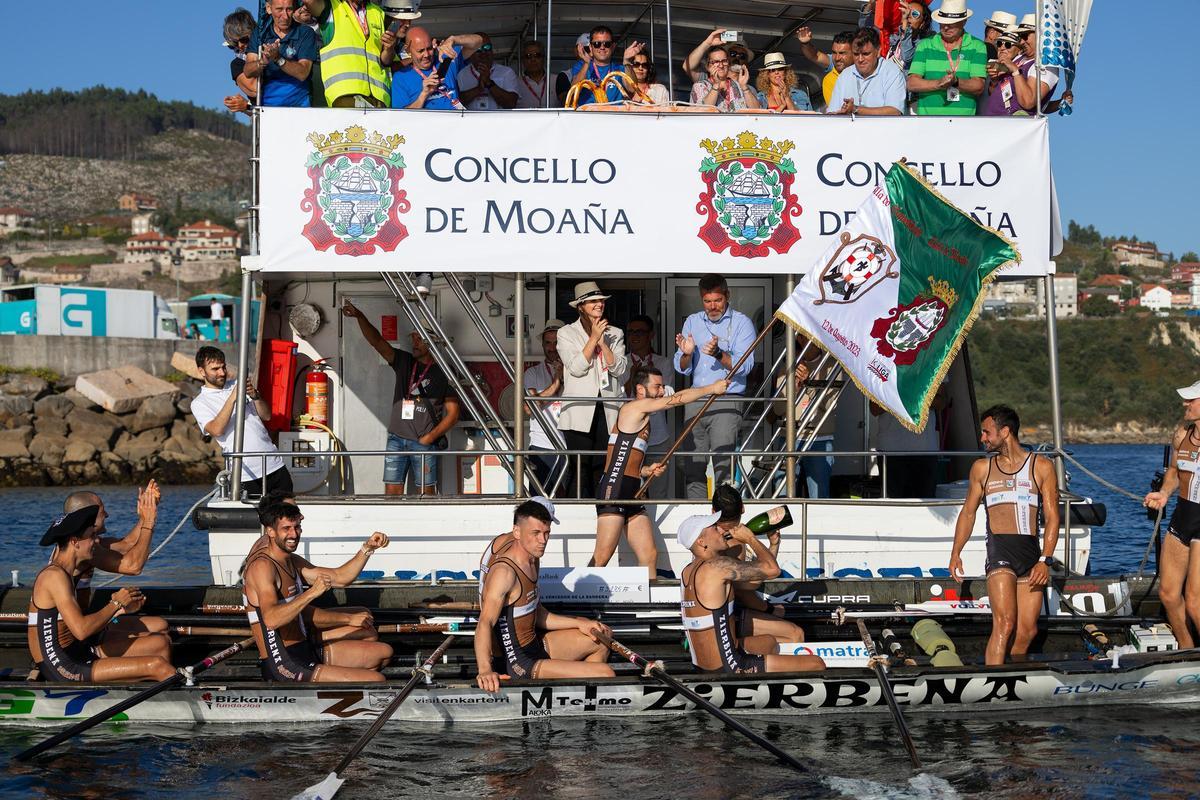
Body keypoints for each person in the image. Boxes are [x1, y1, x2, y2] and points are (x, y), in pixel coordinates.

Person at [949, 405, 1060, 665]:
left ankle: (1011, 673)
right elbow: (968, 513)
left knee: (1027, 630)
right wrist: (956, 552)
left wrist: (1046, 560)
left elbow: (1053, 517)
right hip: (1000, 554)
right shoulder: (981, 468)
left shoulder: (1041, 466)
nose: (983, 438)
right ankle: (992, 678)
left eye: (987, 432)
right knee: (1005, 623)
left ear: (1005, 431)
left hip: (1032, 555)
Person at [593, 368, 729, 579]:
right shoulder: (633, 408)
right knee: (602, 556)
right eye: (656, 387)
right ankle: (578, 598)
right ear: (640, 389)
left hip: (632, 489)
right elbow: (675, 400)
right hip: (614, 488)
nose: (661, 392)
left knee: (649, 554)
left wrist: (647, 470)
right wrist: (712, 388)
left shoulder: (645, 417)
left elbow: (625, 458)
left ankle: (647, 607)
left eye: (662, 387)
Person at [476, 499, 615, 691]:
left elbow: (538, 614)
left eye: (546, 533)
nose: (543, 541)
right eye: (535, 533)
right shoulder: (504, 572)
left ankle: (572, 696)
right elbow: (485, 622)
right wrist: (485, 670)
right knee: (606, 673)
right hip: (518, 663)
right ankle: (576, 694)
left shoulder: (533, 559)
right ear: (517, 532)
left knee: (598, 639)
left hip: (535, 644)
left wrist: (580, 622)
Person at [243, 502, 393, 682]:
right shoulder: (262, 566)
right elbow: (271, 619)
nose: (294, 534)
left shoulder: (292, 560)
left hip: (305, 647)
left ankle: (331, 686)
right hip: (284, 663)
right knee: (377, 681)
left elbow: (341, 577)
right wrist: (312, 593)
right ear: (271, 531)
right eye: (286, 529)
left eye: (297, 527)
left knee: (384, 653)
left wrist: (367, 548)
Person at [27, 507, 175, 683]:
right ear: (75, 542)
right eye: (91, 536)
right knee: (158, 666)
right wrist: (115, 604)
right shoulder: (54, 576)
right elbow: (82, 630)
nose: (96, 541)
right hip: (62, 666)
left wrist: (118, 612)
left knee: (160, 645)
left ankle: (145, 700)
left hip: (79, 651)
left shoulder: (64, 572)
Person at [677, 513, 826, 673]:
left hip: (701, 667)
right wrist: (750, 539)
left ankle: (772, 674)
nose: (721, 530)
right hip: (732, 667)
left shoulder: (687, 571)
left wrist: (773, 544)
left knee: (769, 642)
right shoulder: (717, 566)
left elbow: (752, 583)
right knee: (817, 663)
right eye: (714, 528)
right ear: (701, 542)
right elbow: (772, 570)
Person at [343, 301, 460, 495]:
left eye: (419, 339)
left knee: (426, 493)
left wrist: (430, 437)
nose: (414, 343)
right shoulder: (405, 361)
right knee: (392, 492)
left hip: (424, 441)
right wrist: (360, 316)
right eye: (413, 338)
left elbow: (453, 414)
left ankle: (424, 527)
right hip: (396, 439)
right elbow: (377, 343)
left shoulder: (444, 372)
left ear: (432, 342)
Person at [53, 486, 171, 664]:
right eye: (102, 510)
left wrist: (144, 515)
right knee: (161, 641)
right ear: (88, 516)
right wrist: (149, 521)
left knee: (160, 625)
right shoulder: (82, 550)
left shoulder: (85, 542)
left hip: (86, 624)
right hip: (75, 637)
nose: (107, 514)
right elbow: (133, 567)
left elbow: (126, 544)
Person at [673, 274, 755, 499]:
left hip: (727, 400)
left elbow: (746, 366)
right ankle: (698, 518)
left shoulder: (741, 322)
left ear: (727, 296)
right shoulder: (692, 321)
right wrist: (687, 354)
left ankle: (724, 518)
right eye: (707, 301)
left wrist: (719, 354)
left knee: (723, 467)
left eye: (717, 300)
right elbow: (681, 367)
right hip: (696, 398)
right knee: (693, 465)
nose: (712, 306)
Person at [709, 485, 809, 650]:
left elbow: (756, 575)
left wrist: (773, 545)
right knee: (795, 634)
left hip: (719, 615)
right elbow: (749, 587)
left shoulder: (709, 536)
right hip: (728, 619)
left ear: (713, 511)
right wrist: (769, 609)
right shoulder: (735, 544)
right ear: (743, 508)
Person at [190, 346, 293, 499]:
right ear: (201, 371)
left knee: (288, 514)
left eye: (223, 367)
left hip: (274, 464)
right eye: (215, 369)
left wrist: (255, 396)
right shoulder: (199, 403)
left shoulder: (238, 383)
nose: (222, 372)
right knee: (255, 519)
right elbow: (216, 430)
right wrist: (233, 398)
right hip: (245, 474)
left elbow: (267, 416)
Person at [1143, 381, 1200, 649]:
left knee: (1195, 600)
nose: (1185, 404)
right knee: (1167, 593)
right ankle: (1188, 650)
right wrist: (1164, 494)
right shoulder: (1181, 434)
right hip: (1182, 517)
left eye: (1191, 400)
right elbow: (1174, 473)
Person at [557, 281, 628, 495]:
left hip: (608, 410)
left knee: (604, 466)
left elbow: (622, 371)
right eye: (593, 301)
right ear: (581, 306)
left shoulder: (615, 332)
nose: (599, 304)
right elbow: (577, 368)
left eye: (601, 301)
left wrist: (604, 342)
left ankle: (603, 511)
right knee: (580, 466)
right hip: (579, 410)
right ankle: (577, 513)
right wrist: (594, 338)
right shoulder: (566, 333)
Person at [302, 0, 391, 108]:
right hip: (345, 95)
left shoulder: (378, 12)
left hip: (379, 98)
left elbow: (385, 60)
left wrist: (389, 49)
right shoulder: (331, 7)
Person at [624, 314, 676, 499]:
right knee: (631, 486)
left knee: (658, 487)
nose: (634, 336)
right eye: (631, 332)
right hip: (631, 435)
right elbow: (622, 398)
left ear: (651, 335)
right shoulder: (623, 363)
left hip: (658, 435)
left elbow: (666, 395)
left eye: (640, 331)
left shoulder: (663, 362)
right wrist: (632, 376)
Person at [906, 0, 987, 116]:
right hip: (927, 122)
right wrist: (939, 83)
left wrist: (956, 82)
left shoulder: (977, 46)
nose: (946, 27)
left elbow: (979, 86)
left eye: (952, 23)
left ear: (964, 21)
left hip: (964, 124)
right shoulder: (924, 45)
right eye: (943, 22)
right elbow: (912, 83)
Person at [524, 319, 570, 496]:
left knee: (574, 502)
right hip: (542, 445)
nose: (552, 348)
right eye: (548, 343)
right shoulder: (533, 373)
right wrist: (557, 382)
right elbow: (529, 408)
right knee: (538, 501)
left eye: (557, 342)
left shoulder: (578, 371)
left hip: (572, 444)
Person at [244, 0, 318, 108]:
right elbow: (247, 71)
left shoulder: (305, 33)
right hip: (268, 107)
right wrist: (262, 62)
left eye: (289, 9)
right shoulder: (260, 34)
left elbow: (303, 73)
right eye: (279, 9)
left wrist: (278, 59)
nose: (285, 16)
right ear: (269, 9)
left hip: (300, 106)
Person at [391, 28, 481, 109]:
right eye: (420, 51)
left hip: (456, 124)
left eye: (429, 48)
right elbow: (401, 118)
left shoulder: (446, 59)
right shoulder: (401, 77)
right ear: (408, 50)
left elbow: (479, 41)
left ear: (433, 43)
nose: (426, 55)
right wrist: (424, 94)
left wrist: (454, 39)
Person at [827, 27, 906, 116]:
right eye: (856, 54)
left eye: (865, 54)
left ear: (878, 51)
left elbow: (895, 111)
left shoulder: (892, 72)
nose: (860, 59)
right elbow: (831, 113)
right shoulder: (845, 75)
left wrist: (856, 109)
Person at [568, 26, 641, 106]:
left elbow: (632, 89)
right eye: (597, 44)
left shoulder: (621, 68)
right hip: (588, 115)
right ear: (591, 48)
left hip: (614, 115)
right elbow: (573, 91)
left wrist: (627, 61)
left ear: (613, 47)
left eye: (607, 44)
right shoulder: (582, 66)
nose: (602, 47)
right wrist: (586, 63)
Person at [860, 0, 935, 70]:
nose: (908, 16)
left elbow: (906, 56)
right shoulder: (894, 40)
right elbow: (866, 36)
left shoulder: (923, 44)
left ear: (922, 23)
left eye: (915, 14)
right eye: (907, 12)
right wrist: (869, 6)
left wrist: (905, 23)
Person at [687, 43, 761, 111]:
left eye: (724, 61)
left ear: (728, 63)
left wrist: (744, 87)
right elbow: (703, 111)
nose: (721, 65)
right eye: (716, 62)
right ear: (707, 66)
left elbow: (757, 111)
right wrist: (716, 85)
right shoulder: (700, 86)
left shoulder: (741, 86)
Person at [795, 27, 856, 109]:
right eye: (834, 53)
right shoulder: (829, 79)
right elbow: (815, 56)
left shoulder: (870, 71)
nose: (837, 58)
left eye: (842, 53)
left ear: (855, 52)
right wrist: (805, 44)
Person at [980, 28, 1035, 116]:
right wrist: (994, 81)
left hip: (1010, 123)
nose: (1002, 48)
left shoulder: (1028, 67)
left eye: (1008, 45)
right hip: (990, 119)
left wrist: (1015, 71)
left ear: (1019, 50)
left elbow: (1032, 101)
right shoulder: (998, 67)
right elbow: (996, 95)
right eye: (999, 43)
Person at [457, 33, 518, 110]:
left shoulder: (506, 72)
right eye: (478, 49)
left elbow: (511, 104)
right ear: (470, 53)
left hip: (499, 121)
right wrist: (478, 89)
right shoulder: (461, 74)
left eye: (487, 47)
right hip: (472, 121)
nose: (483, 52)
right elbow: (456, 104)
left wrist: (489, 83)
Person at [223, 8, 259, 111]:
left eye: (244, 40)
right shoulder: (237, 65)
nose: (240, 46)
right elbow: (255, 89)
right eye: (234, 43)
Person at [515, 40, 552, 108]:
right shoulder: (515, 83)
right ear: (523, 60)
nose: (533, 59)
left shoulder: (556, 80)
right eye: (528, 56)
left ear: (544, 58)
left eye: (537, 55)